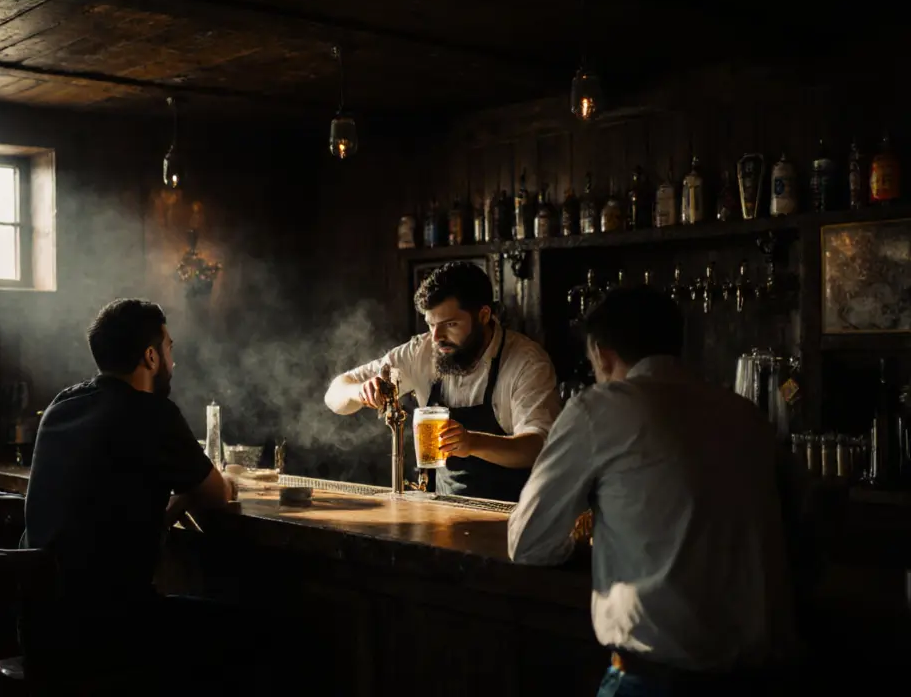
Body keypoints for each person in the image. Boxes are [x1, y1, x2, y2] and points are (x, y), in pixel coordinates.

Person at [507, 286, 800, 695]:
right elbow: (796, 544)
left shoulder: (600, 407)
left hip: (654, 678)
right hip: (763, 676)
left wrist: (589, 545)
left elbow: (528, 542)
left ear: (602, 354)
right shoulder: (746, 414)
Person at [21, 298, 236, 692]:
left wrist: (178, 500)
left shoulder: (62, 404)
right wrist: (191, 489)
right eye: (170, 347)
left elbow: (106, 514)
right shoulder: (153, 413)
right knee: (247, 630)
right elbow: (219, 493)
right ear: (151, 357)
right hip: (108, 631)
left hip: (41, 627)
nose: (174, 359)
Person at [324, 261, 561, 500]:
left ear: (483, 315)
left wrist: (472, 442)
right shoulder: (421, 352)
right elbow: (334, 395)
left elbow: (538, 446)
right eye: (431, 324)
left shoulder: (526, 361)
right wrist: (360, 391)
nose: (437, 337)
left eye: (451, 324)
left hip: (514, 511)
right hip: (447, 508)